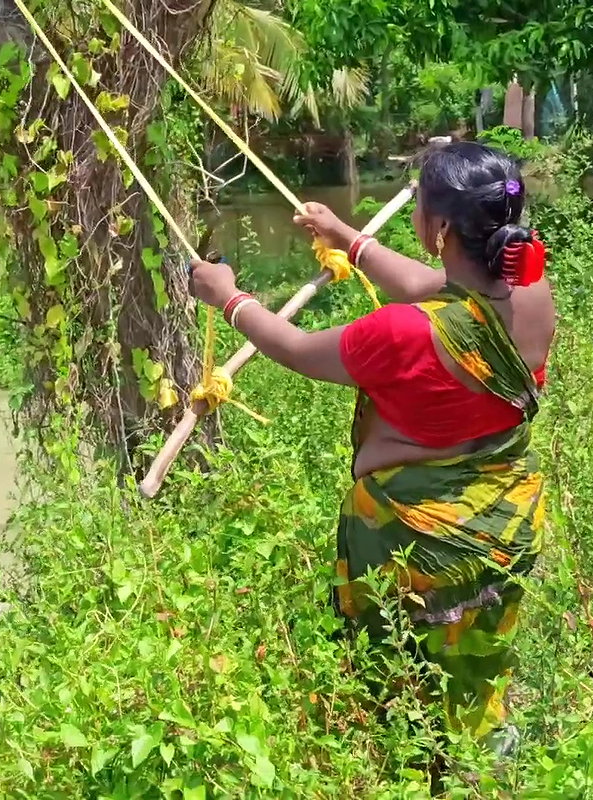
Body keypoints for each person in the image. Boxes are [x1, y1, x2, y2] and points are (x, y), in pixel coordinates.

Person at [187, 141, 555, 754]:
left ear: (438, 227)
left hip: (415, 545)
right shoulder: (533, 299)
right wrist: (346, 237)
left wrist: (226, 295)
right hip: (502, 522)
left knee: (399, 681)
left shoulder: (402, 332)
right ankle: (489, 760)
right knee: (476, 666)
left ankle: (414, 767)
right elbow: (427, 283)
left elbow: (297, 350)